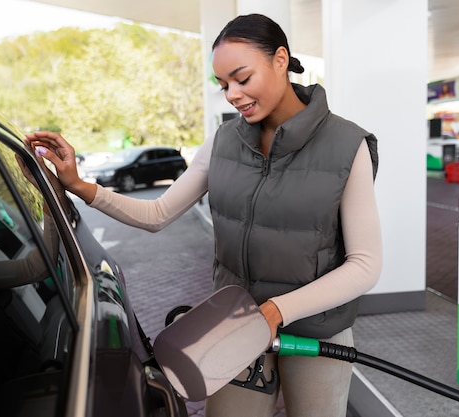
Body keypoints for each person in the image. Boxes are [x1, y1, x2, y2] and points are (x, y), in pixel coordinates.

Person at [26, 13, 382, 417]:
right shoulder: (223, 141)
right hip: (234, 327)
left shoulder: (346, 144)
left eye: (242, 78)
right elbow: (158, 213)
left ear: (280, 60)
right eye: (223, 84)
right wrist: (81, 186)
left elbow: (365, 265)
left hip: (316, 333)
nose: (231, 94)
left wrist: (277, 311)